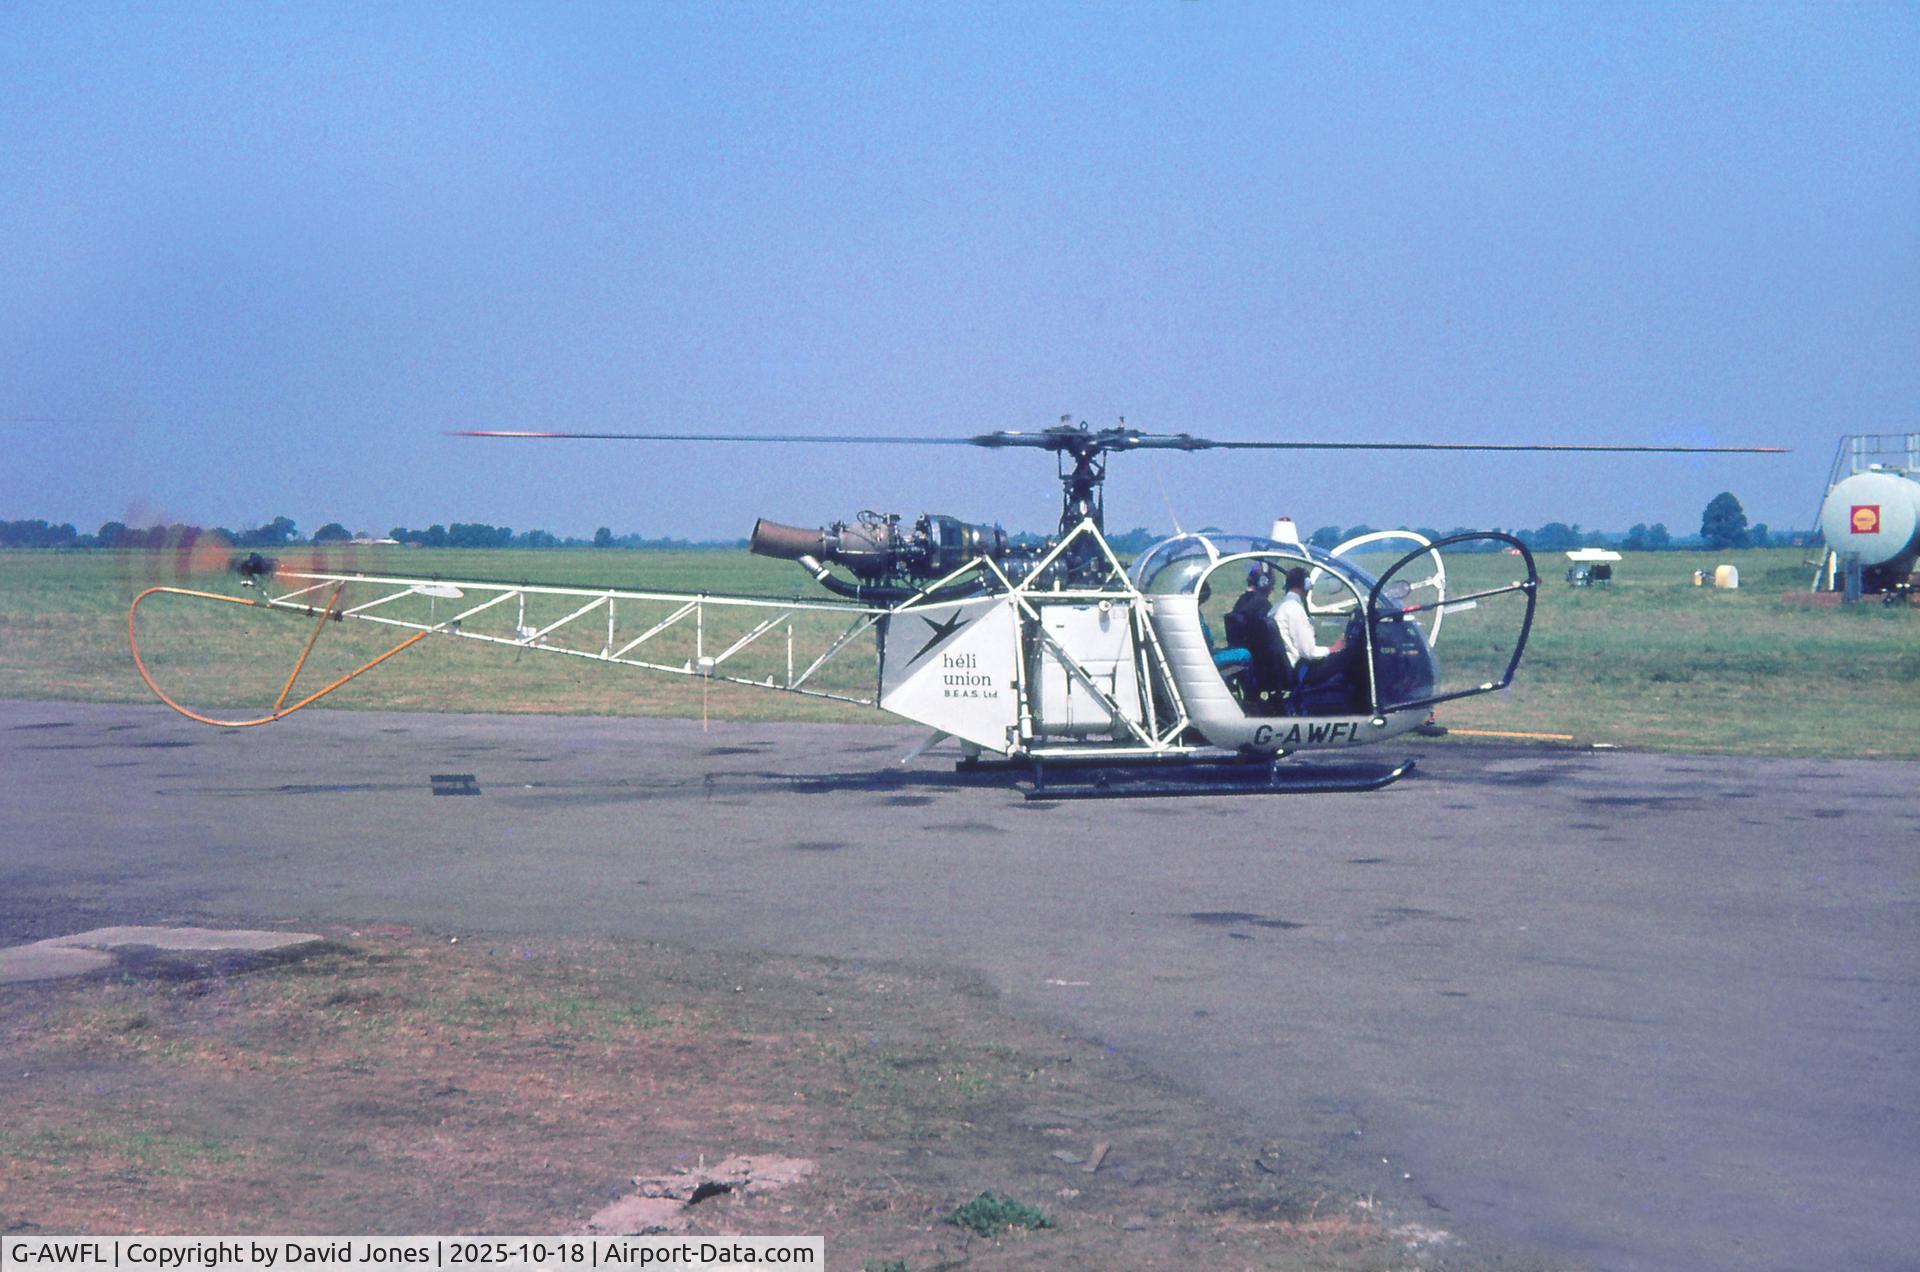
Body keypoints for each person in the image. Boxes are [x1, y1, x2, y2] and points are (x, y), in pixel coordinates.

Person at [1273, 566, 1358, 711]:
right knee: (1352, 653)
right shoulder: (1294, 609)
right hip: (1302, 671)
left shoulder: (1278, 607)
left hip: (1286, 668)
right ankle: (1357, 705)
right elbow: (1309, 652)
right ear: (1306, 585)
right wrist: (1332, 649)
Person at [1224, 563, 1289, 709]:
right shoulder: (1262, 605)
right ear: (1263, 582)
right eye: (1272, 583)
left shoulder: (1241, 602)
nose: (1272, 588)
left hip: (1253, 665)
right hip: (1264, 667)